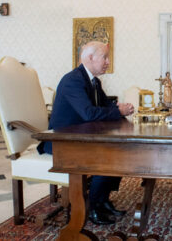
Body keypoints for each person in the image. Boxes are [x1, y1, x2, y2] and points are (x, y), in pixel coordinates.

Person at [37, 41, 134, 225]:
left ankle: (103, 201)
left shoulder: (94, 81)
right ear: (90, 57)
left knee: (119, 152)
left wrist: (120, 108)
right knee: (106, 157)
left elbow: (106, 106)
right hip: (61, 142)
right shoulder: (73, 80)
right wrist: (117, 111)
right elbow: (88, 113)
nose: (108, 62)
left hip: (79, 139)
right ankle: (93, 207)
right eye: (104, 57)